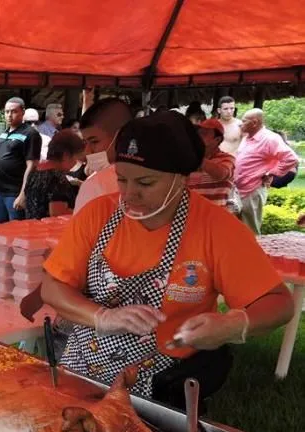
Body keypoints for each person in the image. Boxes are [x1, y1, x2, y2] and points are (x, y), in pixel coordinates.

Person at [41, 110, 294, 412]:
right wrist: (101, 316)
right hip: (84, 371)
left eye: (145, 183)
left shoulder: (216, 228)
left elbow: (279, 302)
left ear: (181, 177)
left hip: (164, 382)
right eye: (122, 180)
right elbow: (52, 287)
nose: (129, 194)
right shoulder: (97, 215)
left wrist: (232, 325)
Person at [234, 109, 299, 235]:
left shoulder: (270, 138)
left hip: (252, 191)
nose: (240, 124)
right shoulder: (247, 138)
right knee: (236, 231)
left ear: (254, 122)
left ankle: (251, 255)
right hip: (238, 191)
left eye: (244, 121)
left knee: (249, 232)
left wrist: (271, 173)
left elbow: (291, 159)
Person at [73, 98, 133, 215]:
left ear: (121, 135)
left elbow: (82, 231)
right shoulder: (162, 177)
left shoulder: (95, 185)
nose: (87, 152)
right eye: (86, 143)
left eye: (94, 142)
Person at [0, 98, 42, 223]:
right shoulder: (3, 134)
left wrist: (23, 194)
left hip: (14, 193)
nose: (9, 115)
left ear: (22, 112)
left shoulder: (30, 134)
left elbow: (32, 166)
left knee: (14, 232)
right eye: (7, 112)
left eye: (13, 112)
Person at [23, 130, 86, 219]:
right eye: (75, 159)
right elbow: (58, 214)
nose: (75, 164)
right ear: (66, 155)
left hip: (32, 228)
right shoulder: (58, 179)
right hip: (50, 230)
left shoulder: (34, 172)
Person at [187, 119, 236, 210]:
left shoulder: (227, 159)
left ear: (217, 139)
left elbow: (221, 174)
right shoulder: (189, 160)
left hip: (215, 216)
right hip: (189, 215)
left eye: (204, 133)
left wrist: (196, 157)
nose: (198, 136)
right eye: (198, 133)